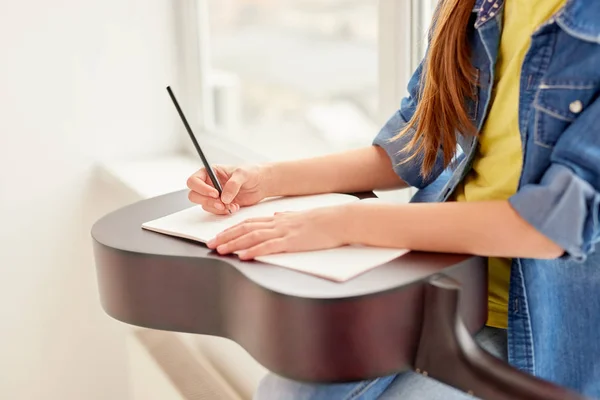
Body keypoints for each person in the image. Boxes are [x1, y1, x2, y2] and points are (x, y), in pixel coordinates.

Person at [186, 0, 600, 398]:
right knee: (291, 389)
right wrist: (269, 179)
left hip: (541, 331)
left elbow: (550, 226)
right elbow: (419, 143)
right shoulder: (476, 6)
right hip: (437, 284)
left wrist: (344, 223)